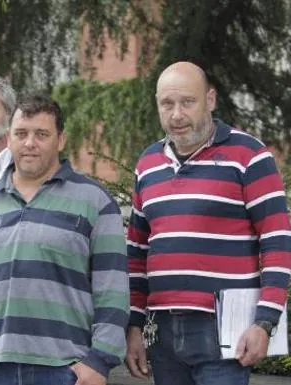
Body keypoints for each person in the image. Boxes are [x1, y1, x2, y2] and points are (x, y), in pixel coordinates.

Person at [0, 94, 130, 385]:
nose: (30, 143)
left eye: (41, 134)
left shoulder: (95, 202)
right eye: (21, 134)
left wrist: (99, 361)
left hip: (68, 371)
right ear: (10, 138)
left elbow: (112, 291)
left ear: (60, 139)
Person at [125, 61, 291, 385]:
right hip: (162, 332)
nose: (176, 115)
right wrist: (134, 325)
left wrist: (265, 322)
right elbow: (136, 253)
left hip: (226, 330)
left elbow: (278, 240)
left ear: (210, 100)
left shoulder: (250, 155)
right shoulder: (147, 163)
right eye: (167, 104)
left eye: (187, 102)